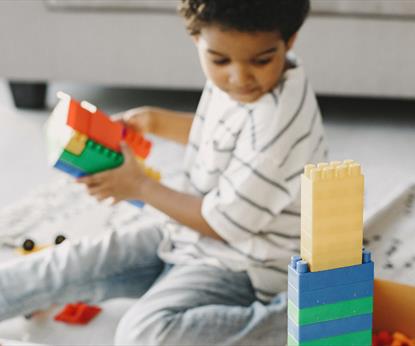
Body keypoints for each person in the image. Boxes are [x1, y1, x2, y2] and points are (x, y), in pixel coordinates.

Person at [0, 0, 327, 344]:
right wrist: (154, 121)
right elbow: (225, 133)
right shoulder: (258, 79)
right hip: (188, 235)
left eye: (260, 61)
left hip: (247, 266)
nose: (239, 77)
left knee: (145, 336)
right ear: (196, 38)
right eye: (220, 60)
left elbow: (224, 225)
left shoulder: (276, 127)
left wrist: (138, 187)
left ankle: (303, 316)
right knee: (68, 264)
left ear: (289, 41)